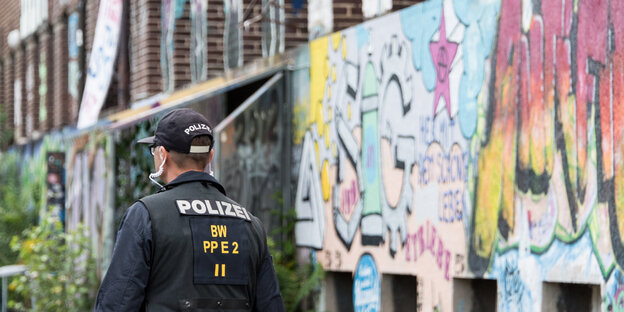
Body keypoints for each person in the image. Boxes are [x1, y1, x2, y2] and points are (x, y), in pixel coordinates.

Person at [94, 108, 285, 311]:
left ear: (162, 154)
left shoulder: (147, 215)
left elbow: (116, 304)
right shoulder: (250, 224)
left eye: (154, 151)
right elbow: (270, 305)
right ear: (210, 156)